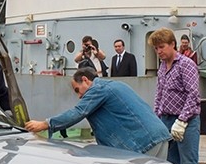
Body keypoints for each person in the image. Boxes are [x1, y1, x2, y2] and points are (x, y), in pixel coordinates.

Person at [24, 67, 170, 159]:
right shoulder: (113, 85)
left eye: (77, 90)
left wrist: (45, 124)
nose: (79, 96)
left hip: (145, 143)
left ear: (85, 80)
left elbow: (78, 112)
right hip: (158, 137)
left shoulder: (98, 89)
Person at [152, 28, 203, 164]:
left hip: (186, 121)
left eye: (161, 47)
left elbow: (193, 94)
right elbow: (159, 95)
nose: (159, 51)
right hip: (166, 119)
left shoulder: (186, 65)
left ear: (172, 44)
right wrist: (156, 118)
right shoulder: (162, 67)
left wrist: (182, 120)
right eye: (156, 49)